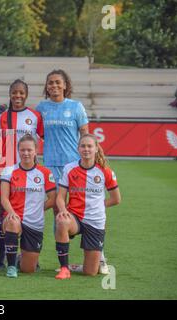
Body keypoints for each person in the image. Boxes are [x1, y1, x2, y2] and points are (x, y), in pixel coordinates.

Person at [35, 69, 111, 274]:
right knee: (58, 211)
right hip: (51, 165)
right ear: (46, 86)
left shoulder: (76, 107)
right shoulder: (41, 108)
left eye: (58, 82)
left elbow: (86, 135)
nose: (54, 86)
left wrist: (92, 160)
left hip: (76, 167)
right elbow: (37, 133)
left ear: (66, 85)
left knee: (87, 207)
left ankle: (99, 253)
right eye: (50, 82)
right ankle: (46, 257)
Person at [0, 79, 44, 268]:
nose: (18, 96)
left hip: (28, 172)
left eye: (21, 93)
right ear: (10, 93)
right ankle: (1, 256)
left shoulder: (35, 116)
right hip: (6, 171)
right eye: (14, 92)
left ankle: (27, 255)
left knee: (28, 210)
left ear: (26, 94)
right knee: (2, 213)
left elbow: (40, 140)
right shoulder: (0, 118)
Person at [54, 134, 121, 279]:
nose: (86, 149)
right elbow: (60, 197)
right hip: (75, 217)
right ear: (78, 149)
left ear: (96, 148)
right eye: (83, 146)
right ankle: (64, 268)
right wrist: (63, 210)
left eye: (90, 146)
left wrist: (98, 206)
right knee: (61, 221)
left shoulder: (105, 171)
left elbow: (116, 199)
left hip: (95, 221)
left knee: (90, 272)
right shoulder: (69, 168)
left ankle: (83, 265)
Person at [0, 134, 56, 278]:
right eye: (22, 150)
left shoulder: (45, 173)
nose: (26, 153)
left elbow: (53, 198)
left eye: (29, 150)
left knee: (29, 269)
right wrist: (12, 213)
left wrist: (39, 208)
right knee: (12, 222)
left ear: (36, 150)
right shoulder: (9, 171)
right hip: (14, 217)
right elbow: (4, 198)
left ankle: (19, 259)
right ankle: (11, 266)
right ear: (18, 151)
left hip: (35, 222)